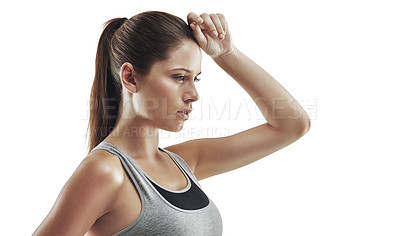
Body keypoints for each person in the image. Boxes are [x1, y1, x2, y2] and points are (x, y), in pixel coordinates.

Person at [33, 11, 311, 236]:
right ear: (129, 77)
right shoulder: (105, 171)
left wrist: (226, 54)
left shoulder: (184, 162)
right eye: (179, 77)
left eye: (195, 78)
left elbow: (292, 125)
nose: (193, 94)